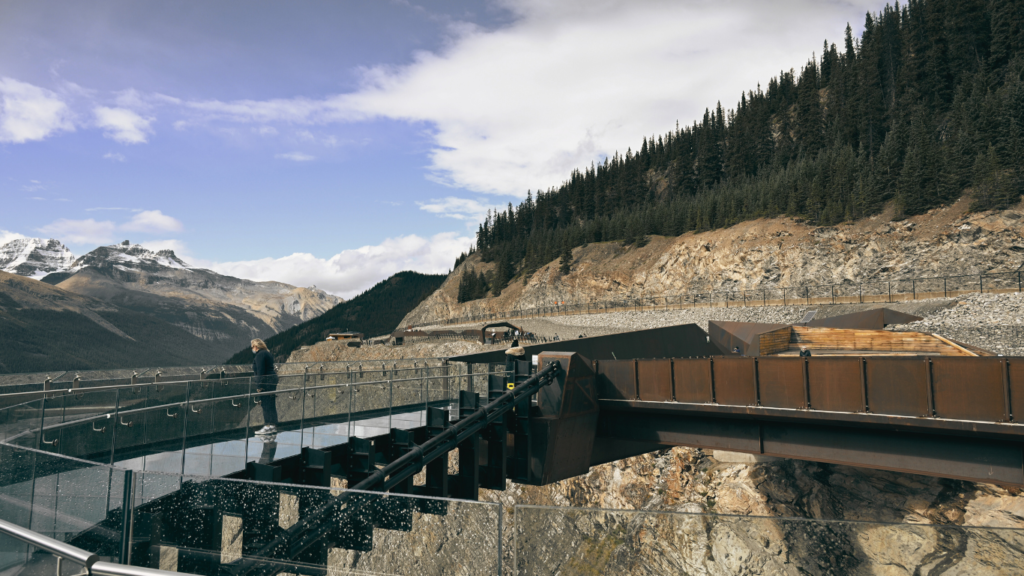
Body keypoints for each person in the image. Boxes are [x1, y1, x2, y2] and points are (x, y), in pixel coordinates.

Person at [251, 338, 279, 436]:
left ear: (256, 346)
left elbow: (260, 371)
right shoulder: (267, 353)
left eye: (252, 347)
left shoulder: (260, 355)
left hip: (266, 381)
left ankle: (267, 426)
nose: (252, 349)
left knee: (265, 403)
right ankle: (273, 426)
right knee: (271, 403)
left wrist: (259, 385)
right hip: (272, 379)